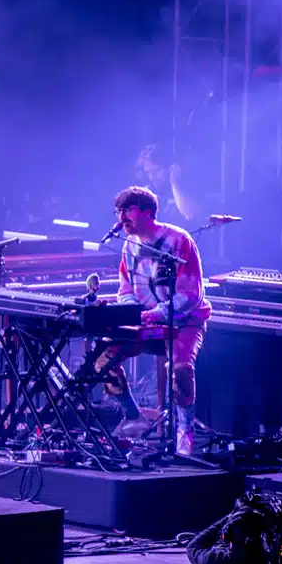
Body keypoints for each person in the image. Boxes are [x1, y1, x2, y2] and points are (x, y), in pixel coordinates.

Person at [90, 185, 210, 455]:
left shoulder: (179, 241)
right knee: (101, 359)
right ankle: (133, 416)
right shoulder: (129, 245)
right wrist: (131, 312)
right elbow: (125, 290)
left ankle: (184, 431)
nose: (122, 217)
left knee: (181, 369)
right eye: (119, 211)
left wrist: (155, 313)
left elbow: (191, 295)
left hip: (184, 320)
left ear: (148, 212)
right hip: (146, 320)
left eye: (128, 210)